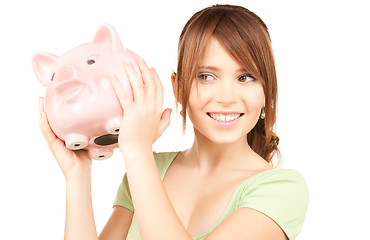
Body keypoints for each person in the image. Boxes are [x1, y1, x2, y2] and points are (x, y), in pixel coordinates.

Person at [38, 4, 309, 240]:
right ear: (178, 87)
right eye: (206, 76)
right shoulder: (149, 169)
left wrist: (137, 152)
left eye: (246, 77)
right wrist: (77, 175)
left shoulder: (282, 191)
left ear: (266, 92)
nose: (227, 97)